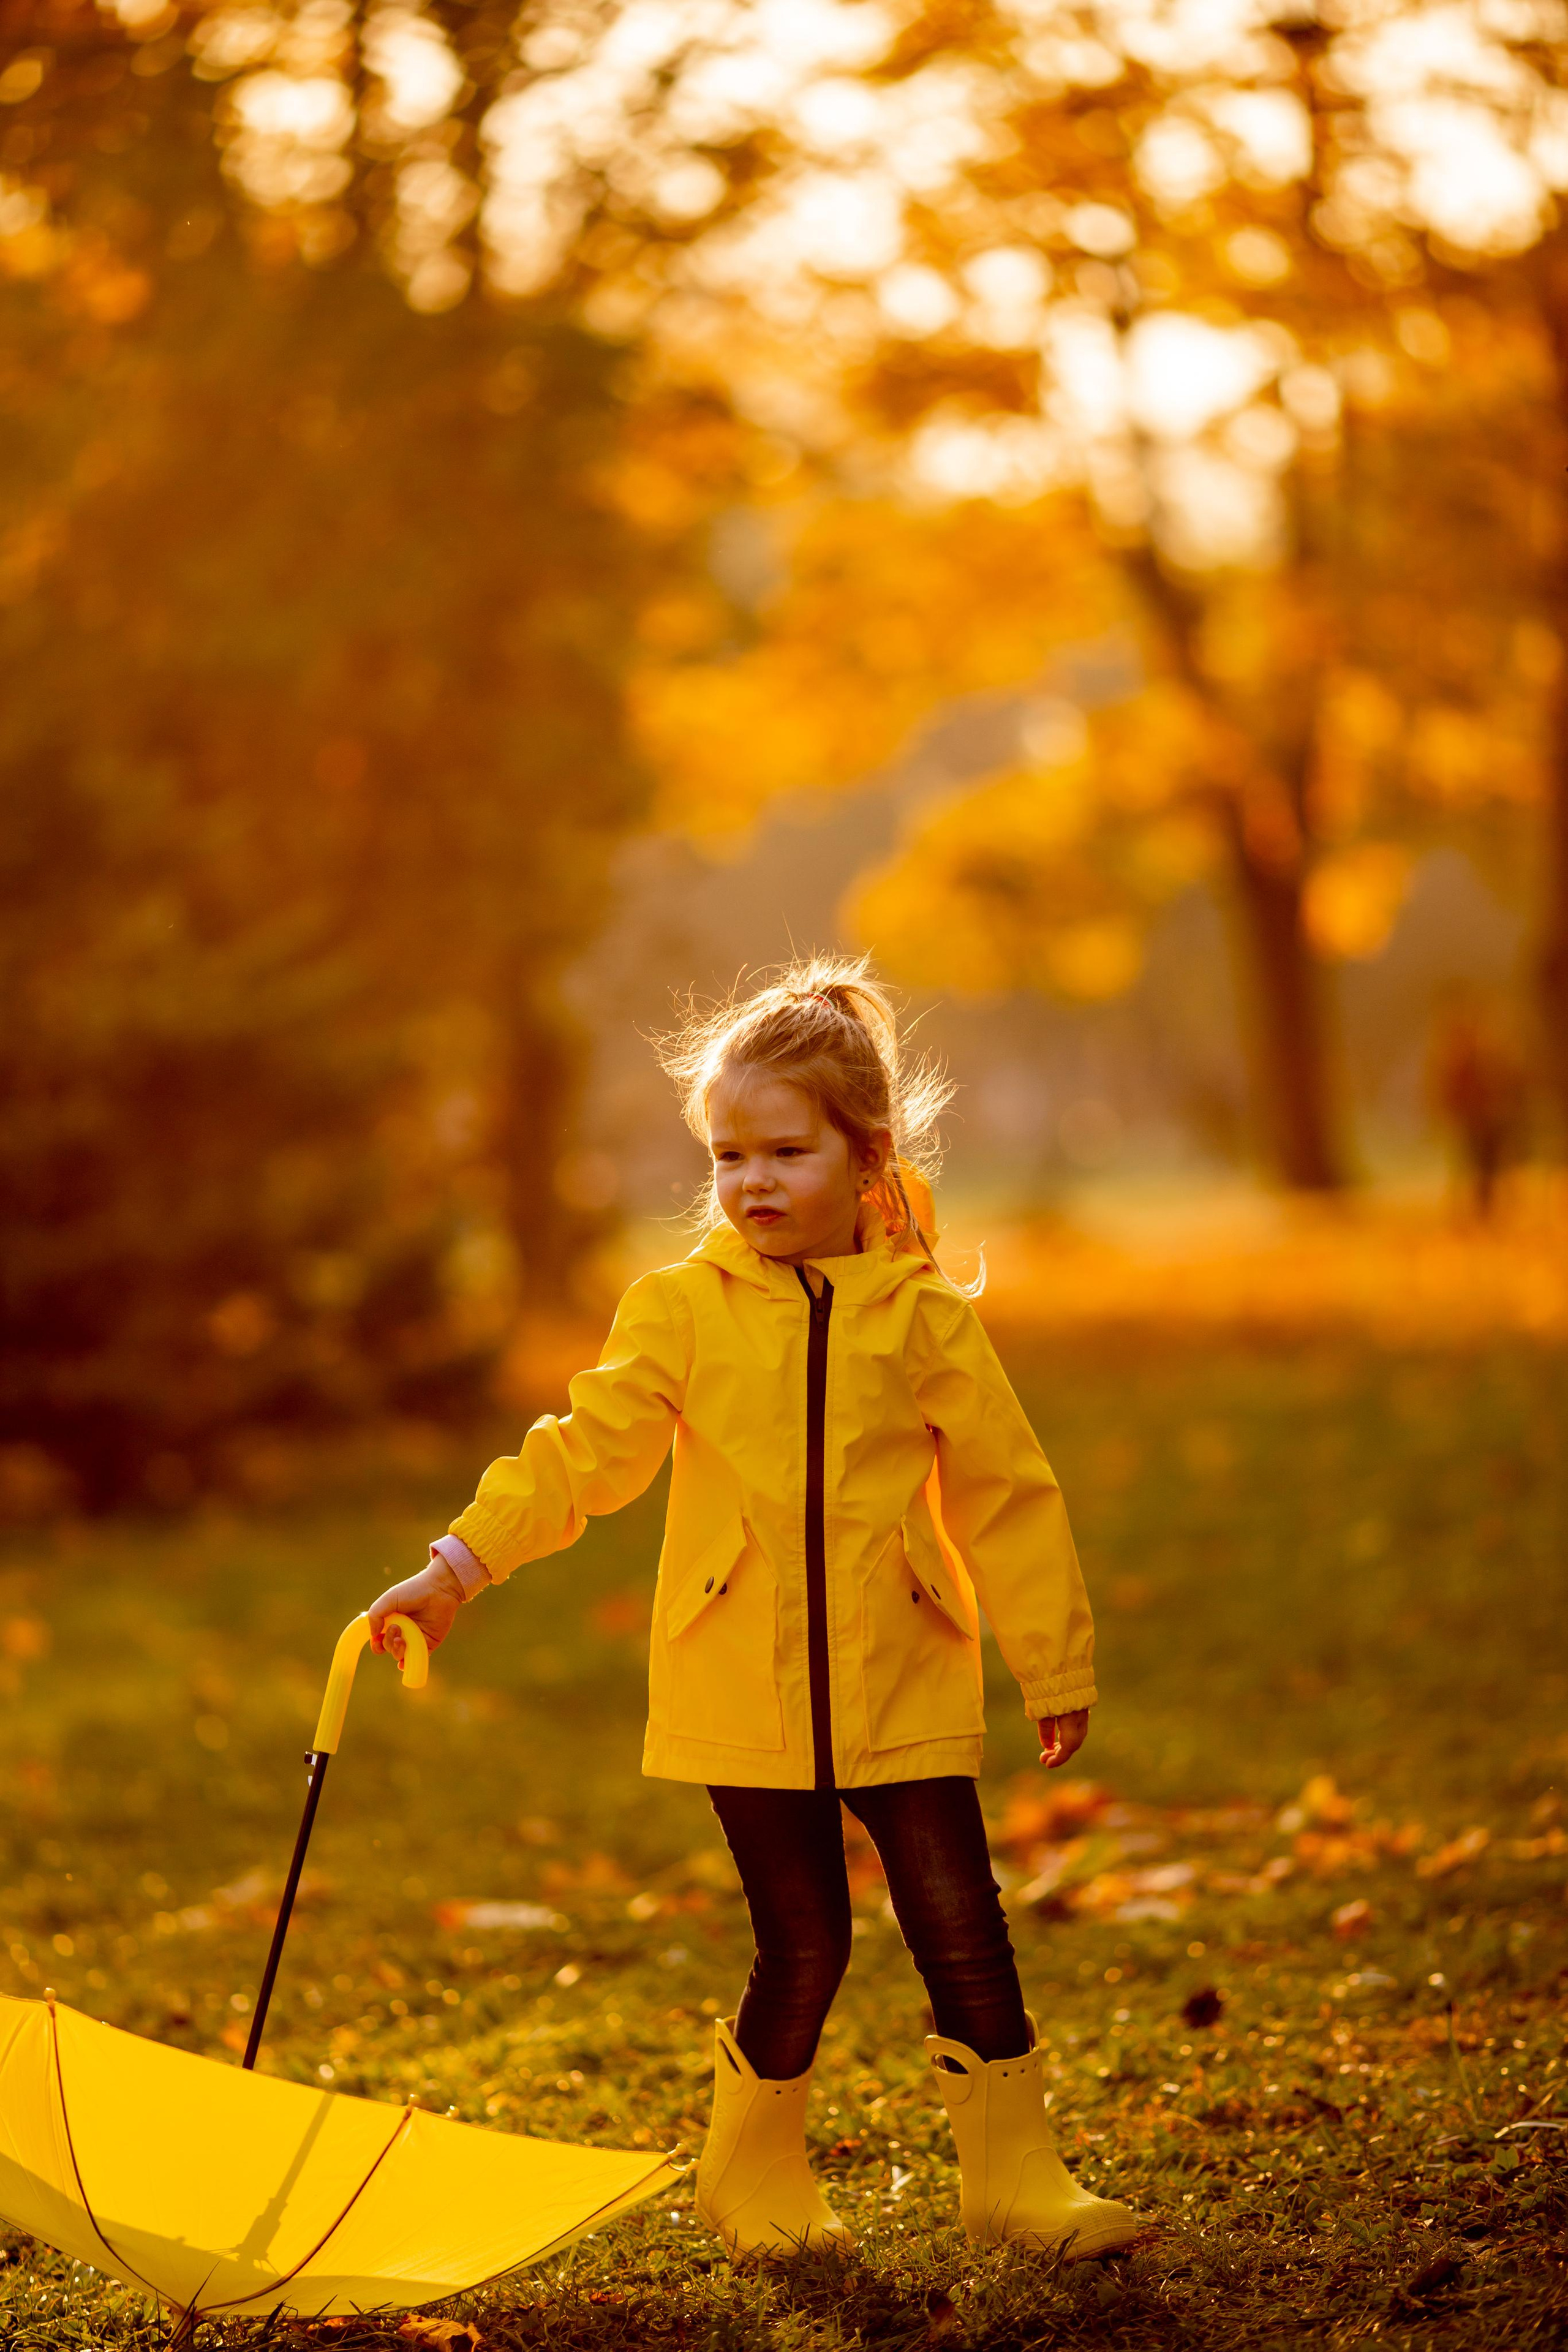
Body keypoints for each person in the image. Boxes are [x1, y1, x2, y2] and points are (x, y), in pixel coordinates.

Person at [367, 957, 1139, 2263]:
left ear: (868, 1156)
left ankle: (1014, 2181)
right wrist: (456, 1567)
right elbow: (581, 1457)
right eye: (728, 1156)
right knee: (805, 1943)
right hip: (741, 1681)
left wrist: (1051, 1663)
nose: (753, 1183)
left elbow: (1007, 1493)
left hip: (904, 1669)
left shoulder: (925, 1319)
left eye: (786, 1152)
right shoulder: (681, 1312)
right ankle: (753, 2173)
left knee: (962, 1925)